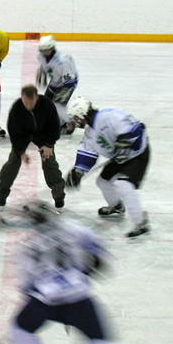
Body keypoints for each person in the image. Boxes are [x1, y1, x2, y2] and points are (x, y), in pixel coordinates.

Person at [9, 200, 135, 344]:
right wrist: (86, 270)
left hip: (45, 301)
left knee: (19, 330)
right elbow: (97, 252)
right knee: (102, 340)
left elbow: (26, 285)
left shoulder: (28, 246)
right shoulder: (73, 228)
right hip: (78, 297)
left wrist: (32, 305)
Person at [64, 97, 151, 238]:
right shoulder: (89, 133)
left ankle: (141, 223)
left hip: (137, 155)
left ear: (81, 114)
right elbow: (88, 153)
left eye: (75, 118)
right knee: (103, 181)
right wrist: (78, 172)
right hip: (120, 159)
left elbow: (136, 127)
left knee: (124, 184)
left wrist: (127, 139)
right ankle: (117, 206)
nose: (75, 122)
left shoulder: (109, 115)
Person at [0, 84, 65, 211]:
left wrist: (49, 145)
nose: (28, 106)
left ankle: (58, 195)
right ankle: (2, 194)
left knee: (50, 162)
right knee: (13, 161)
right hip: (23, 136)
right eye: (25, 103)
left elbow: (55, 126)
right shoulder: (17, 108)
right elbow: (14, 132)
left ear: (36, 97)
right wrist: (21, 152)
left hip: (43, 136)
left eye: (31, 103)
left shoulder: (47, 105)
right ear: (22, 97)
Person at [35, 35, 79, 135]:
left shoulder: (62, 62)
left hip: (68, 83)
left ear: (52, 48)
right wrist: (42, 70)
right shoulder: (40, 55)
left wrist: (62, 94)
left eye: (47, 50)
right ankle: (54, 122)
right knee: (46, 103)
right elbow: (44, 64)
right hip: (55, 80)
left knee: (58, 105)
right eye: (42, 50)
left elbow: (70, 79)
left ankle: (69, 122)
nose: (44, 52)